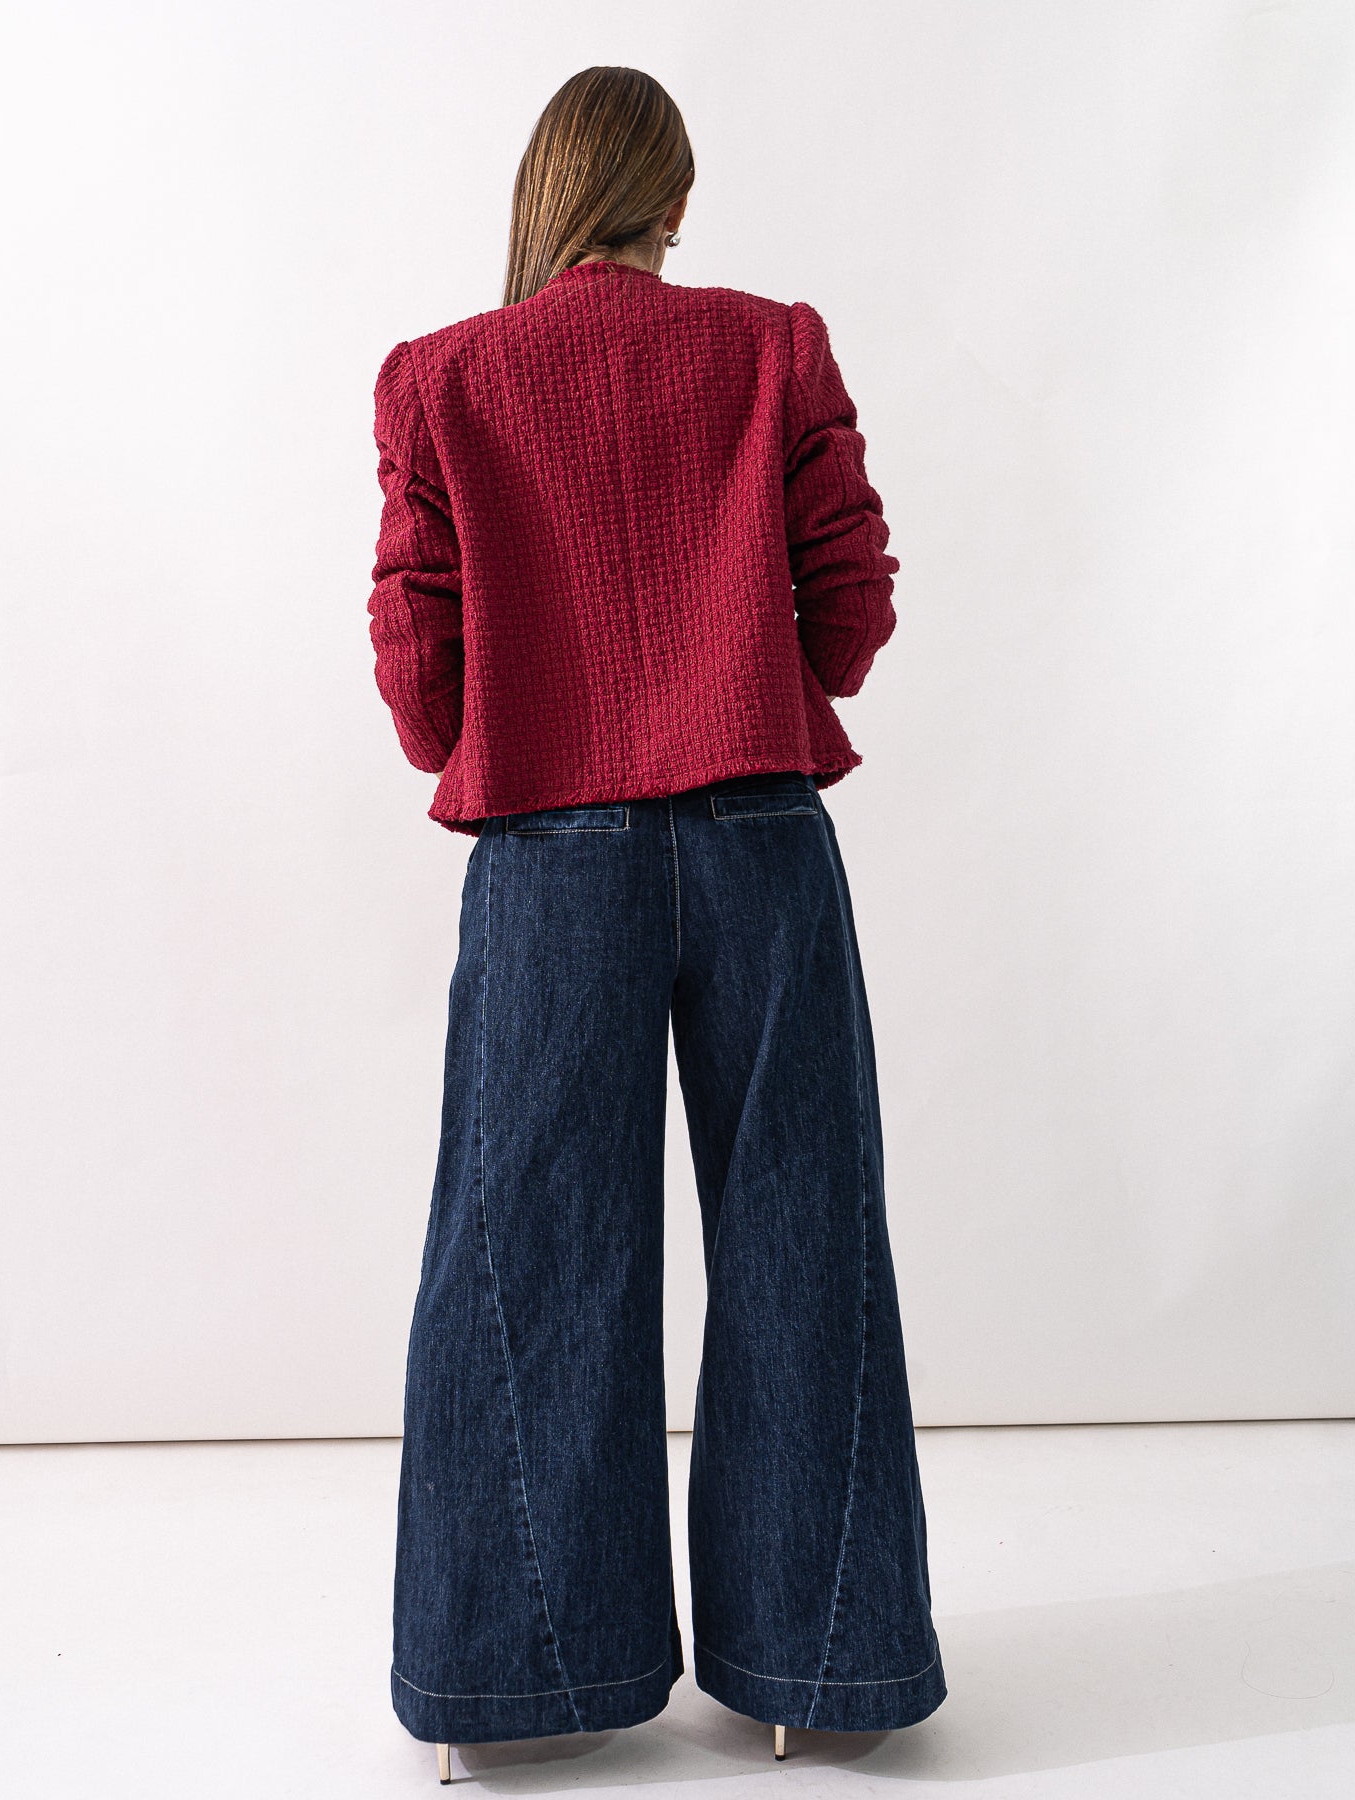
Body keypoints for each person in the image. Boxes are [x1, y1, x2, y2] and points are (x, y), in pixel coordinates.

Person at [365, 64, 946, 1782]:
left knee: (523, 1249)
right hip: (761, 832)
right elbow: (853, 598)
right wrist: (751, 673)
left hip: (550, 855)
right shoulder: (772, 349)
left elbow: (420, 668)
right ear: (674, 201)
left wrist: (516, 728)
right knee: (803, 1230)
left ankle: (514, 1677)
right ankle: (813, 1671)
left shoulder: (444, 379)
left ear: (547, 194)